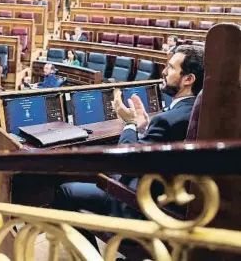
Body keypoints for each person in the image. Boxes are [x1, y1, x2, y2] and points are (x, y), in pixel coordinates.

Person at [52, 45, 205, 252]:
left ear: (188, 79)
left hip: (140, 207)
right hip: (174, 203)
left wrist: (130, 124)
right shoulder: (200, 112)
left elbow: (127, 163)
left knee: (65, 192)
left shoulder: (167, 120)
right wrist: (144, 129)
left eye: (170, 67)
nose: (164, 72)